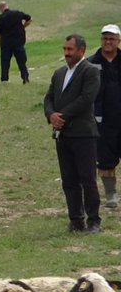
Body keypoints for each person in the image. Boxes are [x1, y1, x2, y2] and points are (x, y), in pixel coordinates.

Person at [44, 34, 103, 233]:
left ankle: (94, 220)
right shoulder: (59, 73)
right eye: (65, 49)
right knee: (69, 179)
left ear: (81, 50)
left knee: (87, 179)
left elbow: (87, 98)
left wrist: (62, 116)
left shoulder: (90, 71)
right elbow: (49, 98)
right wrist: (51, 115)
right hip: (62, 135)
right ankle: (76, 219)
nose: (67, 53)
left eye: (70, 50)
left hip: (83, 134)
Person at [89, 24, 121, 209]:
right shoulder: (91, 62)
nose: (108, 42)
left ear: (118, 41)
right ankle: (111, 194)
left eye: (112, 38)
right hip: (102, 120)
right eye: (105, 38)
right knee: (106, 158)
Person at [0, 2, 32, 84]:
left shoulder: (1, 17)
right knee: (21, 62)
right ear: (7, 6)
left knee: (5, 63)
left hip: (6, 44)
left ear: (1, 9)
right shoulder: (17, 13)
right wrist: (23, 27)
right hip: (18, 42)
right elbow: (29, 18)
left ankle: (4, 80)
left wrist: (5, 33)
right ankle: (25, 78)